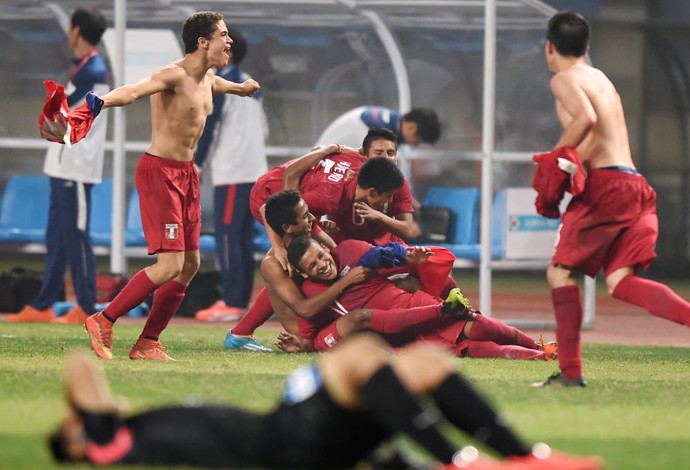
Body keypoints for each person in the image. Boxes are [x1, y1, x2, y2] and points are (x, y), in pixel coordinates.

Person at [49, 333, 603, 469]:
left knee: (429, 360)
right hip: (288, 444)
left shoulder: (125, 436)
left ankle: (522, 457)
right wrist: (83, 421)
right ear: (78, 437)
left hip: (301, 442)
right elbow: (78, 365)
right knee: (362, 353)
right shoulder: (109, 444)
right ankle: (456, 459)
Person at [82, 11, 260, 361]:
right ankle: (104, 319)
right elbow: (134, 90)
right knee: (169, 266)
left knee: (190, 264)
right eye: (223, 35)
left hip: (186, 174)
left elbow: (217, 85)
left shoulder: (209, 77)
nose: (230, 41)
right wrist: (102, 101)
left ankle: (148, 342)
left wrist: (241, 88)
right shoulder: (173, 75)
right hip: (160, 173)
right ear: (203, 42)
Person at [533, 11, 690, 388]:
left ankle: (571, 374)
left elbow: (584, 119)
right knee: (620, 281)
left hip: (607, 188)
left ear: (549, 47)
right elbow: (596, 133)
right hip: (634, 183)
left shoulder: (564, 78)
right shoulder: (600, 78)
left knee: (560, 272)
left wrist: (551, 160)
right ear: (586, 47)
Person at [284, 235, 557, 361]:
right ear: (302, 272)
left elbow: (384, 255)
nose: (321, 264)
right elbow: (309, 329)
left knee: (480, 327)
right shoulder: (310, 296)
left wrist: (405, 256)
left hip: (413, 307)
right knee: (468, 348)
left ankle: (538, 347)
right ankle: (536, 357)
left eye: (320, 255)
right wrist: (303, 345)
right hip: (396, 336)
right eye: (312, 265)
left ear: (323, 246)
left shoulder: (350, 250)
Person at [7, 8, 109, 325]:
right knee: (58, 238)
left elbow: (62, 115)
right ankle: (43, 304)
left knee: (77, 237)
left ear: (76, 31)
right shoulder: (83, 68)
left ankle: (88, 305)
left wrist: (50, 118)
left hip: (76, 168)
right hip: (62, 166)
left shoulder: (93, 70)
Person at [226, 189, 371, 352]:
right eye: (305, 216)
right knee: (369, 331)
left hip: (331, 314)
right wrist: (348, 279)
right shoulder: (274, 263)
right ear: (288, 227)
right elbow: (306, 310)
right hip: (311, 336)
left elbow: (340, 257)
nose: (313, 218)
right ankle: (240, 334)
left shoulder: (309, 234)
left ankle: (240, 333)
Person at [192, 27, 269, 322]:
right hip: (253, 171)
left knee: (228, 238)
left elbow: (211, 129)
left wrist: (197, 165)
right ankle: (238, 300)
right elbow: (263, 129)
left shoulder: (222, 84)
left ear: (228, 51)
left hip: (233, 173)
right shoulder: (252, 84)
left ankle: (232, 302)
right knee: (243, 239)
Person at [316, 106, 441, 150]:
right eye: (417, 141)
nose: (414, 145)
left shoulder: (389, 121)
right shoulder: (378, 132)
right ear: (412, 128)